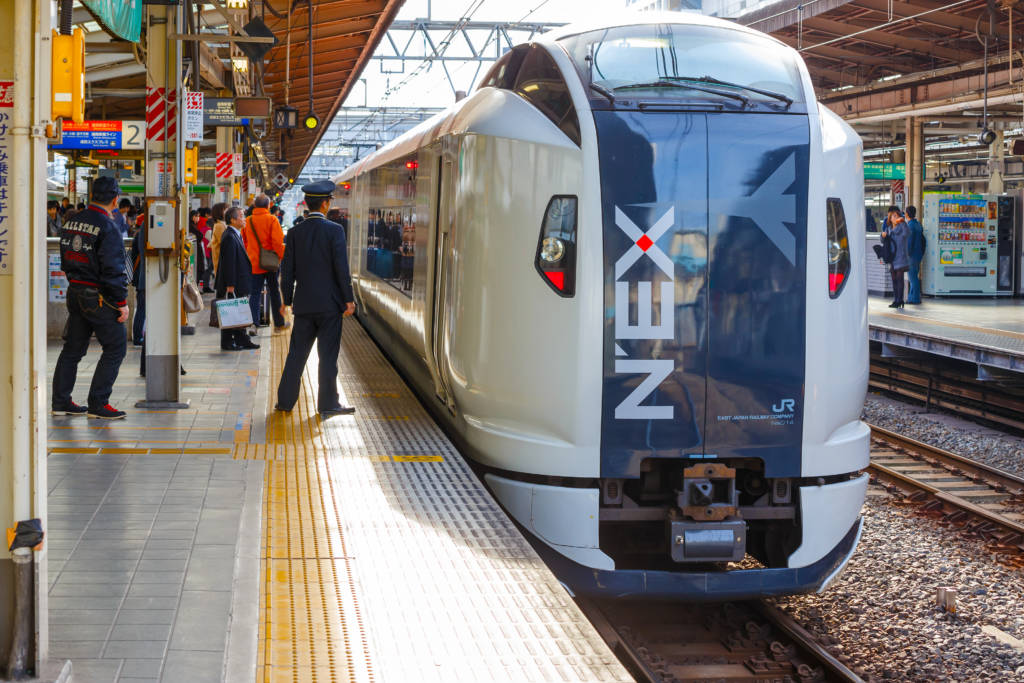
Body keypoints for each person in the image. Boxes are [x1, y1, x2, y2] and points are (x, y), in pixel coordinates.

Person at [51, 177, 130, 419]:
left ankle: (60, 402)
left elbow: (65, 259)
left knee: (73, 349)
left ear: (92, 195)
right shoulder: (108, 226)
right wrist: (121, 303)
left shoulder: (72, 221)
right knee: (116, 347)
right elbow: (113, 270)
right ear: (115, 199)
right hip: (98, 297)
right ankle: (98, 403)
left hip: (75, 291)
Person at [276, 180, 356, 418]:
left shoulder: (294, 232)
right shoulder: (335, 231)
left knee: (296, 354)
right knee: (327, 356)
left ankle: (285, 402)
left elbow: (287, 271)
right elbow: (341, 269)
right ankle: (328, 404)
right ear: (324, 204)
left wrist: (286, 301)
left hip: (303, 305)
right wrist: (348, 299)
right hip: (330, 306)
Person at [216, 207, 259, 351]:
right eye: (241, 216)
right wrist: (230, 284)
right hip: (234, 282)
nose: (244, 218)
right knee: (230, 311)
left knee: (238, 311)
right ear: (233, 220)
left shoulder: (235, 234)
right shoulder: (229, 236)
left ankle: (242, 339)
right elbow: (229, 263)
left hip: (239, 280)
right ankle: (227, 342)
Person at [243, 194, 287, 330]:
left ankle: (253, 324)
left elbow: (244, 242)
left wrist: (251, 255)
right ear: (269, 206)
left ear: (255, 206)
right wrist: (280, 257)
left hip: (254, 263)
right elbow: (277, 243)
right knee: (274, 292)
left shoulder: (248, 221)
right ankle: (279, 323)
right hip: (270, 263)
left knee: (254, 293)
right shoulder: (272, 219)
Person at [881, 205, 909, 309]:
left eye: (896, 216)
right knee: (893, 279)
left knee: (899, 278)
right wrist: (883, 236)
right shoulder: (888, 228)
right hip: (891, 257)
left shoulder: (902, 227)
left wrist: (902, 222)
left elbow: (907, 233)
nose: (895, 217)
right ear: (889, 217)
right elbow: (883, 240)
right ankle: (895, 299)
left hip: (900, 256)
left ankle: (900, 300)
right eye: (893, 216)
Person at [905, 205, 925, 305]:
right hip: (918, 255)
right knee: (914, 277)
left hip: (911, 256)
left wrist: (906, 254)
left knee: (913, 278)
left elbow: (909, 242)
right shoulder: (918, 224)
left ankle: (916, 298)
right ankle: (911, 298)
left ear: (907, 214)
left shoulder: (910, 226)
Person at [129, 225, 145, 345]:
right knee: (142, 309)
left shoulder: (139, 235)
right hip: (143, 278)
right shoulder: (144, 234)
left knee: (141, 308)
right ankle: (138, 337)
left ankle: (138, 336)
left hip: (140, 277)